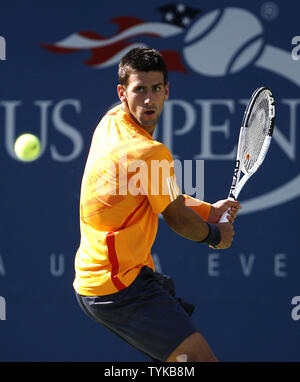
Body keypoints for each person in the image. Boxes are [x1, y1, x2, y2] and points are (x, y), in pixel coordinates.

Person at [73, 47, 241, 362]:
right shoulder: (148, 152)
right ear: (122, 92)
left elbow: (157, 192)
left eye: (156, 89)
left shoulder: (112, 120)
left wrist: (209, 211)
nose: (149, 99)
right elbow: (176, 218)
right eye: (139, 90)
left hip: (104, 281)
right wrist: (216, 237)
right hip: (119, 288)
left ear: (167, 91)